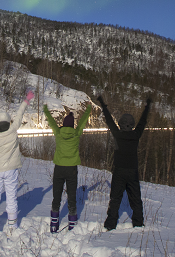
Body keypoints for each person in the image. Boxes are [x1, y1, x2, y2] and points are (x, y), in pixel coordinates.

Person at [96, 95, 151, 231]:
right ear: (132, 125)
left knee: (115, 199)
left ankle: (110, 225)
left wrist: (103, 104)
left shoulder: (118, 134)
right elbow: (143, 122)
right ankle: (138, 224)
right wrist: (147, 106)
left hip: (119, 171)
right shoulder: (136, 135)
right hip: (132, 171)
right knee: (136, 199)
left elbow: (109, 120)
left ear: (120, 123)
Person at [0, 91, 34, 234]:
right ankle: (12, 226)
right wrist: (25, 101)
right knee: (11, 197)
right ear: (7, 121)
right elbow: (19, 115)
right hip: (11, 170)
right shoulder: (12, 130)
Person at [43, 103, 92, 232]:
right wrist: (88, 110)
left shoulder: (58, 133)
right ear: (72, 125)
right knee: (72, 196)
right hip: (71, 169)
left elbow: (52, 122)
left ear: (64, 124)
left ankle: (54, 224)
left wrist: (45, 110)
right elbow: (82, 122)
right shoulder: (76, 134)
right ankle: (72, 224)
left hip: (59, 168)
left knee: (56, 196)